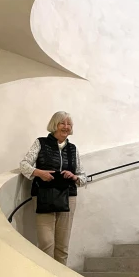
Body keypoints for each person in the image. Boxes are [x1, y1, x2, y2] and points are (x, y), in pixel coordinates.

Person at [19, 111, 86, 265]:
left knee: (62, 247)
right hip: (44, 195)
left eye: (69, 124)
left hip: (68, 197)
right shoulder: (40, 143)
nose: (66, 127)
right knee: (46, 244)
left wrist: (75, 177)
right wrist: (39, 173)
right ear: (54, 125)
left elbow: (82, 176)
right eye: (62, 123)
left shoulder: (73, 149)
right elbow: (24, 165)